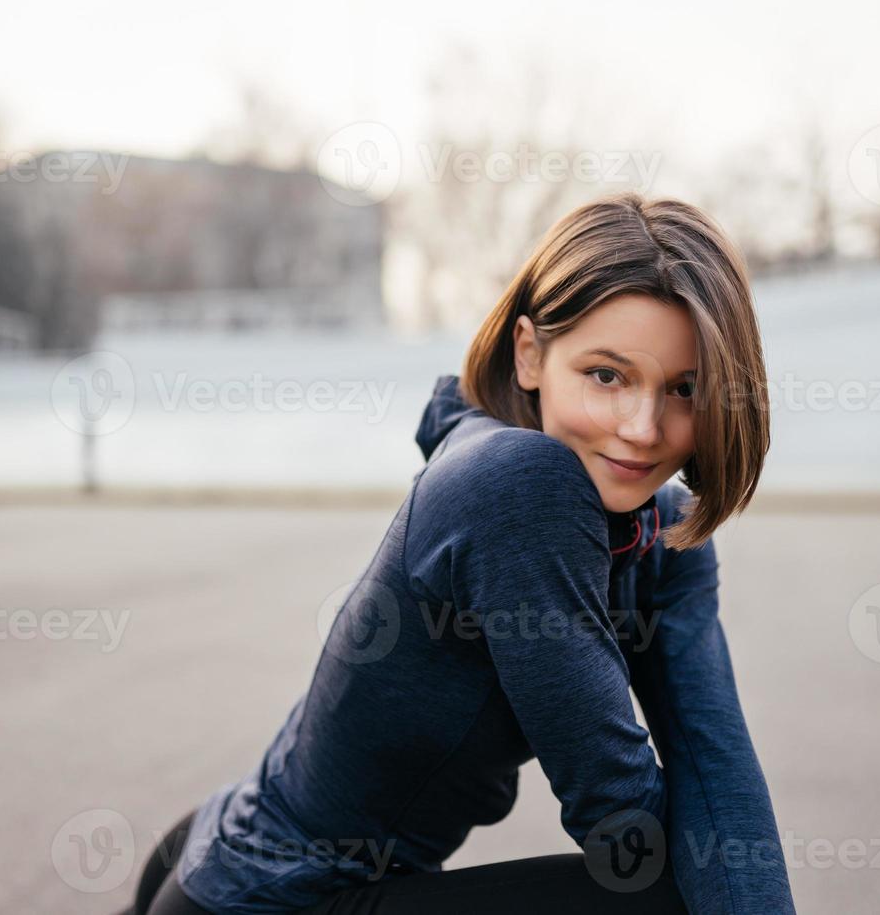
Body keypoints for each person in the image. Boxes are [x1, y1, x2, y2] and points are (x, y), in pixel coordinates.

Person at [126, 192, 795, 914]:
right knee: (665, 898)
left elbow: (716, 766)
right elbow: (618, 819)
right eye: (607, 375)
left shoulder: (663, 529)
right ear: (531, 354)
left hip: (220, 848)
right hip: (272, 898)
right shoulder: (518, 484)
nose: (642, 427)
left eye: (685, 389)